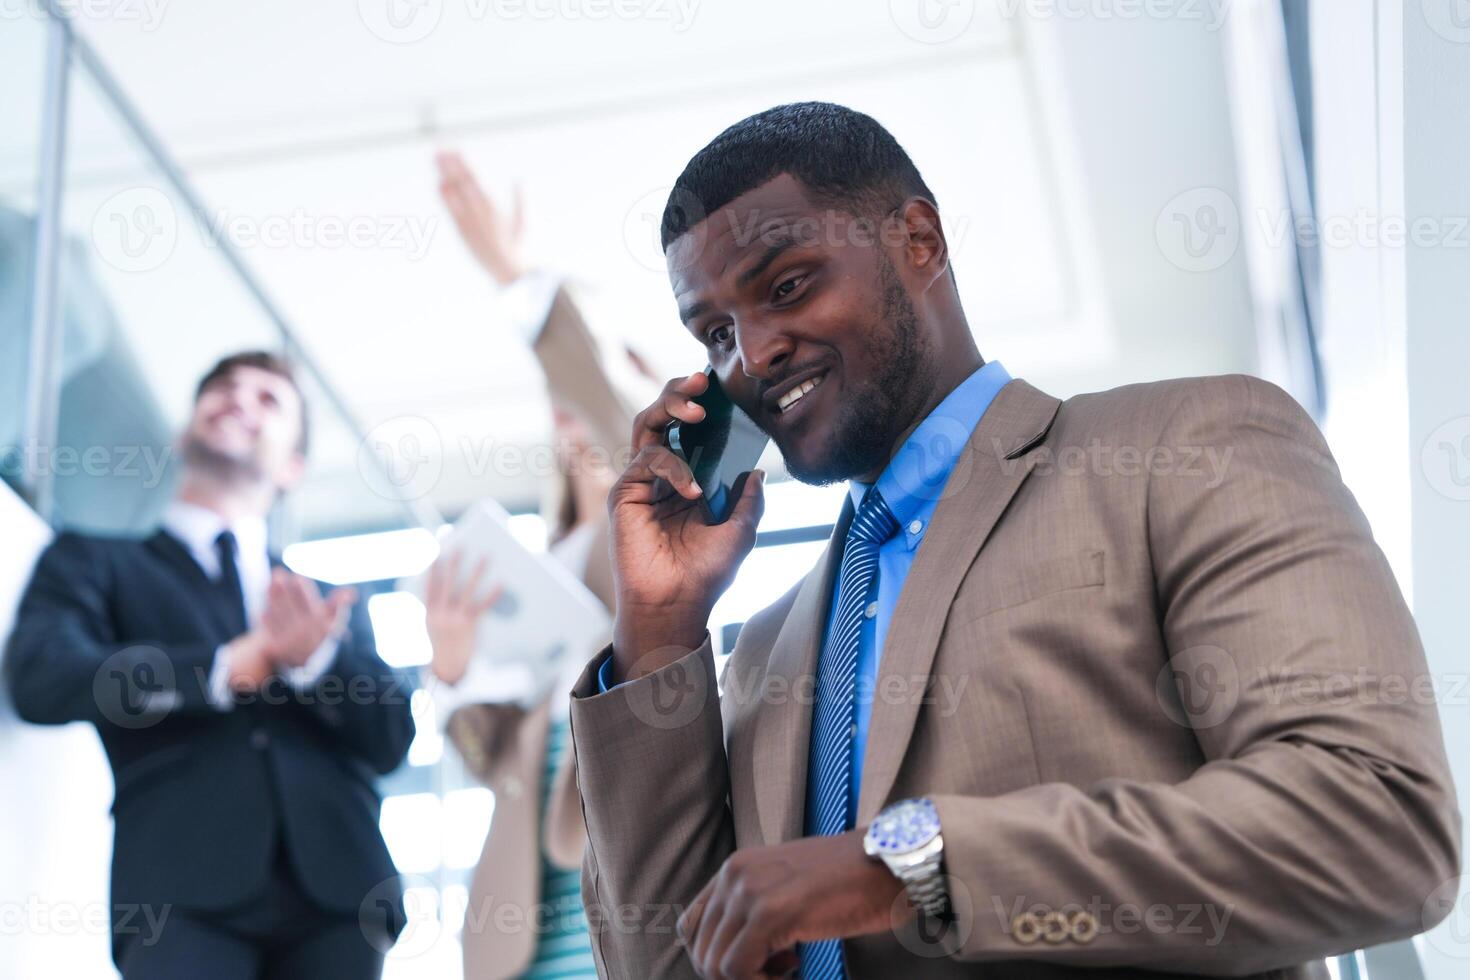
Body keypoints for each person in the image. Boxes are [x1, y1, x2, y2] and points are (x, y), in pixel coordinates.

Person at [566, 102, 1461, 979]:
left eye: (788, 286)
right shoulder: (761, 651)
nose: (750, 356)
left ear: (918, 240)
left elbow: (1375, 824)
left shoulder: (1181, 448)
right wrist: (658, 629)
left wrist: (910, 868)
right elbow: (668, 965)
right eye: (715, 332)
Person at [4, 351, 414, 979]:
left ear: (293, 467)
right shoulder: (93, 561)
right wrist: (223, 667)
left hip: (342, 894)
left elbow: (392, 741)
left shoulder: (325, 604)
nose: (239, 400)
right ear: (182, 431)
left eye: (268, 398)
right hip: (175, 889)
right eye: (223, 388)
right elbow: (44, 677)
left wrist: (313, 663)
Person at [425, 150, 634, 979]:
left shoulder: (646, 521)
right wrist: (452, 664)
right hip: (523, 911)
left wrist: (518, 279)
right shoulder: (542, 562)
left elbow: (603, 408)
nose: (568, 412)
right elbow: (491, 760)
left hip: (619, 877)